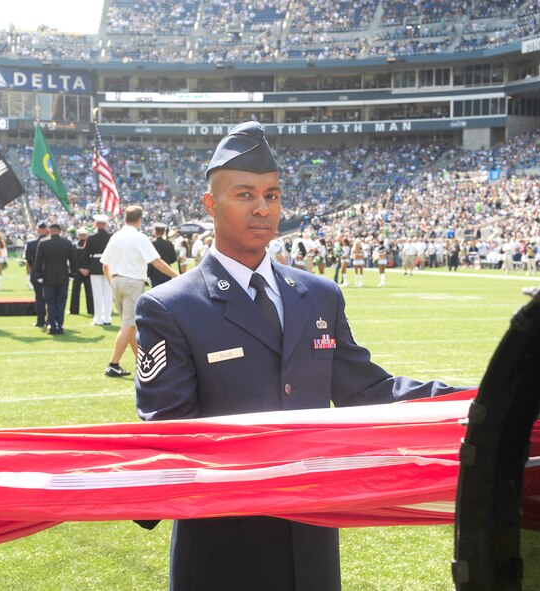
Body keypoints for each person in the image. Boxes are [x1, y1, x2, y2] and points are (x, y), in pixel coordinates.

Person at [133, 122, 462, 591]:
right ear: (210, 204)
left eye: (271, 194)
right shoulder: (172, 306)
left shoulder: (318, 294)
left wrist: (469, 400)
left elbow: (367, 391)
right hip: (224, 545)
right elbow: (169, 430)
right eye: (244, 194)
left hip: (312, 537)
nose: (262, 207)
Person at [100, 206, 178, 378]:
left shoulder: (116, 236)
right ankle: (113, 363)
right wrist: (176, 275)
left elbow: (105, 264)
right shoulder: (138, 237)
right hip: (132, 282)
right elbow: (155, 261)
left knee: (130, 326)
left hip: (116, 280)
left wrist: (112, 282)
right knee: (129, 325)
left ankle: (142, 362)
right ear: (140, 219)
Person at [34, 223, 77, 335]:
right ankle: (60, 325)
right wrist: (72, 274)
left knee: (50, 302)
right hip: (63, 276)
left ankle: (52, 325)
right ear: (60, 230)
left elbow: (38, 261)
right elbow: (73, 260)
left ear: (49, 230)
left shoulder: (43, 242)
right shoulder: (67, 243)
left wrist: (38, 275)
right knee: (61, 303)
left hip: (48, 276)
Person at [86, 214, 113, 326]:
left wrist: (87, 266)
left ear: (96, 224)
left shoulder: (91, 238)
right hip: (109, 266)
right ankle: (107, 317)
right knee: (108, 293)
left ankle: (98, 318)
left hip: (95, 266)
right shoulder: (111, 236)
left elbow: (86, 253)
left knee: (97, 294)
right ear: (106, 224)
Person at [24, 222, 49, 328]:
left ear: (38, 230)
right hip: (50, 273)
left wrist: (34, 267)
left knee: (39, 297)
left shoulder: (31, 244)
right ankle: (50, 320)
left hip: (36, 273)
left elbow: (28, 259)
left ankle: (40, 321)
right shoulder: (51, 242)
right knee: (50, 298)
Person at [69, 227, 94, 316]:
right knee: (78, 291)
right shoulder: (75, 245)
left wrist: (83, 269)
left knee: (87, 292)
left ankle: (77, 310)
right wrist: (86, 269)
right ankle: (88, 310)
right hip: (83, 271)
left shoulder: (77, 245)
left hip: (81, 271)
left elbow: (73, 260)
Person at [148, 223, 177, 288]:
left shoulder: (152, 244)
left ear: (155, 232)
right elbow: (173, 259)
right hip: (167, 272)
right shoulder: (169, 244)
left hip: (155, 273)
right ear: (164, 232)